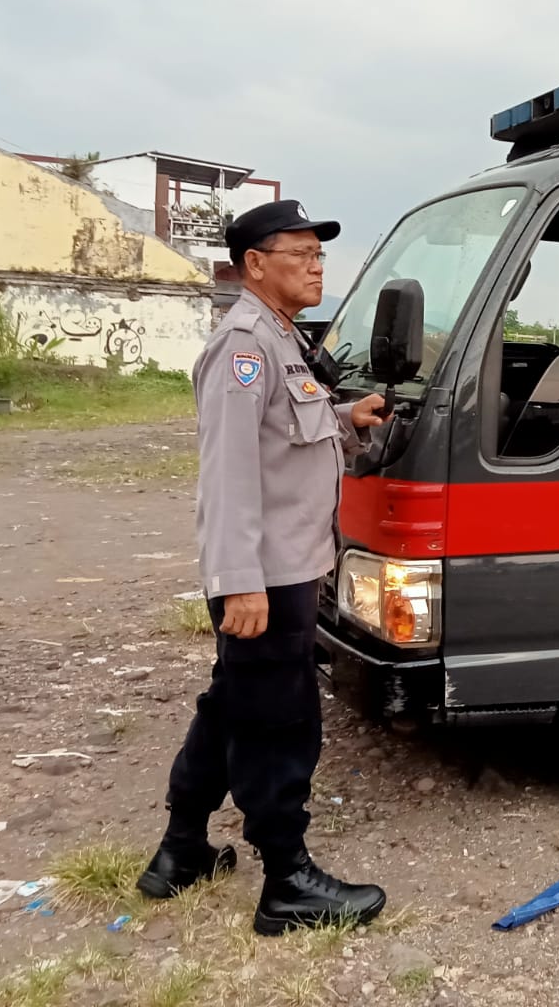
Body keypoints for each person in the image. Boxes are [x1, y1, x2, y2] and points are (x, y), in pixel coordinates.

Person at [137, 199, 391, 937]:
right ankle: (288, 883)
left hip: (283, 570)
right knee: (280, 723)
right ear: (255, 264)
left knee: (231, 708)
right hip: (264, 580)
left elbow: (289, 436)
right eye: (301, 253)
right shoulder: (243, 347)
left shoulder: (280, 343)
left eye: (320, 254)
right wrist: (238, 580)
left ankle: (181, 851)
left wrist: (347, 419)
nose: (317, 266)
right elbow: (230, 474)